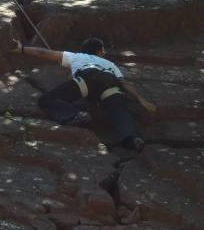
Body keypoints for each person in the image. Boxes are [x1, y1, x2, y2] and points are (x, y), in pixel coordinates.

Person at [13, 36, 156, 152]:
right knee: (120, 111)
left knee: (47, 99)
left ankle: (75, 115)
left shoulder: (76, 56)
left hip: (88, 80)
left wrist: (22, 49)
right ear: (99, 51)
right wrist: (142, 100)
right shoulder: (110, 64)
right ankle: (132, 138)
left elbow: (45, 53)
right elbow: (124, 84)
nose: (104, 53)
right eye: (103, 50)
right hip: (109, 83)